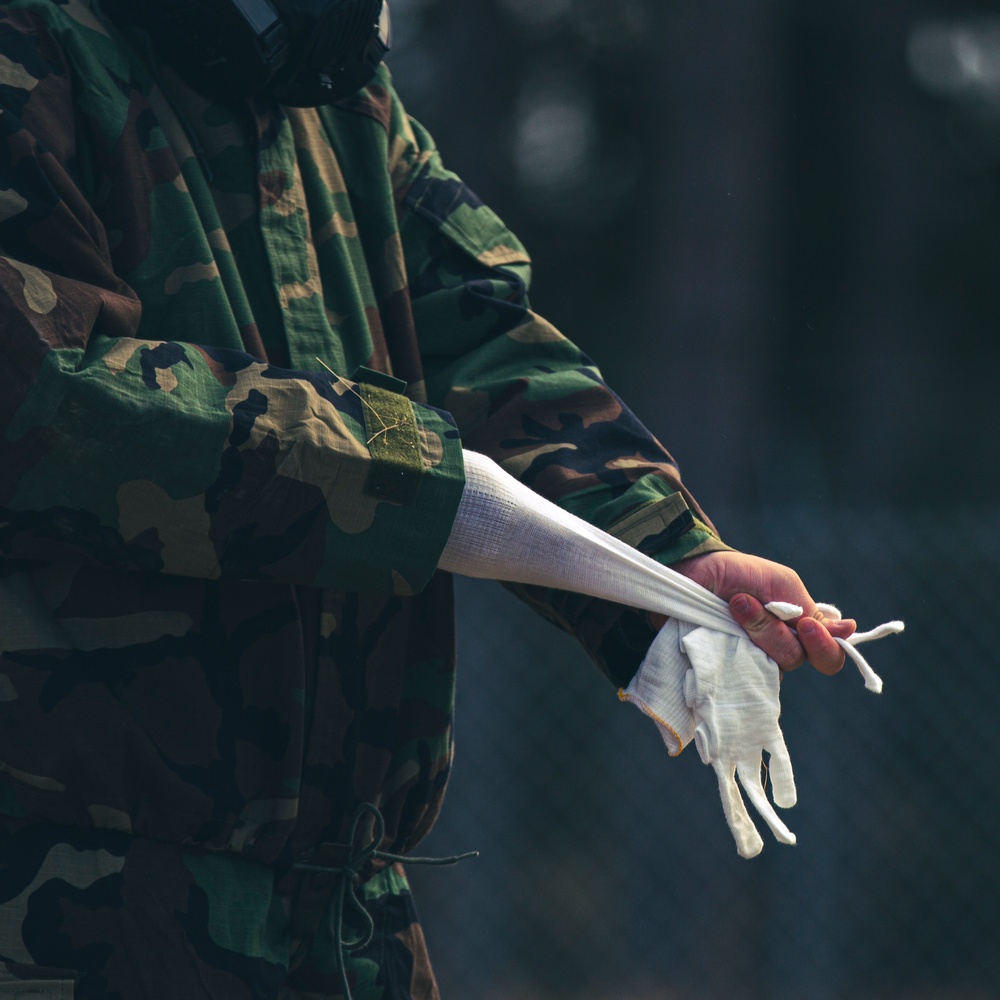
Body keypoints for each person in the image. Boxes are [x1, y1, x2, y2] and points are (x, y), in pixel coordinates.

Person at [0, 1, 855, 997]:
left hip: (349, 914)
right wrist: (416, 485)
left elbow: (479, 338)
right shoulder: (40, 35)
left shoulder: (329, 77)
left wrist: (666, 558)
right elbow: (40, 389)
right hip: (69, 915)